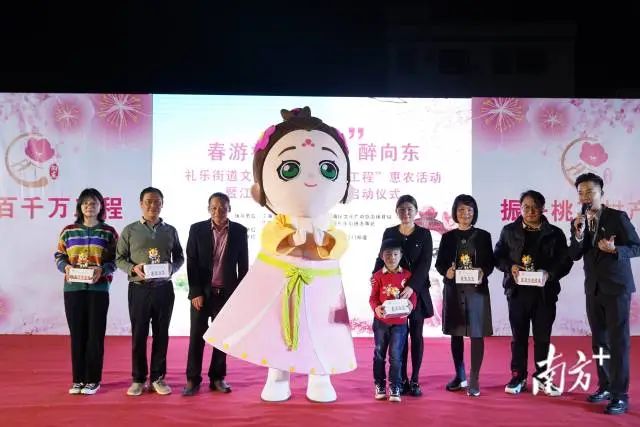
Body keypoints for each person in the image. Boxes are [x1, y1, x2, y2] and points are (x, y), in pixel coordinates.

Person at [203, 107, 356, 403]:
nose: (311, 178)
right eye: (290, 169)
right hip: (281, 287)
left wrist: (323, 243)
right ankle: (278, 376)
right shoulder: (277, 226)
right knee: (278, 329)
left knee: (322, 331)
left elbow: (338, 243)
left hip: (322, 289)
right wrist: (296, 240)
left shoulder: (330, 227)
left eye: (328, 169)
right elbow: (273, 241)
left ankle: (320, 376)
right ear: (259, 189)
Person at [569, 173, 640, 415]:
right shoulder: (578, 222)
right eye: (581, 192)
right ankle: (605, 385)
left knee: (618, 342)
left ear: (601, 193)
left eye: (590, 191)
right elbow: (574, 254)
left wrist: (615, 249)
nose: (585, 196)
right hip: (594, 289)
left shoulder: (617, 217)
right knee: (599, 341)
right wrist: (578, 235)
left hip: (617, 288)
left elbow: (636, 246)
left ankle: (620, 395)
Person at [494, 190, 572, 396]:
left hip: (544, 294)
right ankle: (518, 376)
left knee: (542, 338)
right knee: (518, 338)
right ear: (520, 208)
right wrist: (510, 266)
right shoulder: (509, 231)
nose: (531, 211)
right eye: (526, 207)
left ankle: (543, 378)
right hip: (517, 293)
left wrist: (550, 273)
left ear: (543, 209)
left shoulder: (555, 233)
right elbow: (498, 256)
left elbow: (565, 262)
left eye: (535, 207)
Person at [116, 187, 184, 396]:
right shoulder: (130, 230)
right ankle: (138, 379)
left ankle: (157, 378)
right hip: (139, 289)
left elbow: (179, 257)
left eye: (157, 202)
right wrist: (133, 268)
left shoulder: (170, 230)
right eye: (148, 201)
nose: (153, 205)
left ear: (162, 204)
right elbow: (119, 259)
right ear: (141, 204)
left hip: (164, 289)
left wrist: (172, 268)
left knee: (161, 334)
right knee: (139, 335)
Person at [182, 192, 249, 396]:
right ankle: (192, 380)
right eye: (214, 207)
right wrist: (195, 292)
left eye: (222, 207)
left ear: (229, 208)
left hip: (226, 294)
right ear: (208, 209)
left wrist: (239, 296)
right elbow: (191, 262)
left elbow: (243, 266)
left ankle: (217, 378)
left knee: (222, 338)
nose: (218, 211)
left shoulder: (239, 231)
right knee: (197, 337)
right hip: (202, 294)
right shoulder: (197, 229)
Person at [54, 188, 118, 395]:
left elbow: (116, 260)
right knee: (77, 334)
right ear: (80, 207)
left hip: (98, 289)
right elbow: (59, 256)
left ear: (101, 207)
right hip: (73, 289)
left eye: (94, 203)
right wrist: (66, 267)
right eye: (86, 203)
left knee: (95, 334)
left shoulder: (108, 232)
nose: (90, 207)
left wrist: (103, 270)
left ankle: (93, 380)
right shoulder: (68, 231)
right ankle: (78, 380)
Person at [373, 194, 433, 397]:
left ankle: (414, 379)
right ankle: (401, 379)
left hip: (415, 293)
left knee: (416, 335)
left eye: (409, 209)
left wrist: (412, 287)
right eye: (402, 209)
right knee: (399, 338)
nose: (406, 213)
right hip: (391, 294)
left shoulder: (424, 234)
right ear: (396, 211)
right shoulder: (390, 232)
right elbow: (381, 256)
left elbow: (425, 264)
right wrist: (374, 277)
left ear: (416, 211)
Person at [435, 194, 494, 397]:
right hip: (454, 291)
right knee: (456, 333)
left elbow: (490, 263)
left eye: (469, 210)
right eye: (461, 209)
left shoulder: (483, 236)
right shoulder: (447, 237)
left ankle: (474, 378)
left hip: (476, 291)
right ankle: (459, 375)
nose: (465, 213)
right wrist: (447, 272)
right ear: (455, 212)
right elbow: (440, 264)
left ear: (474, 212)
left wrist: (483, 271)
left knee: (477, 334)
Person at [370, 238, 416, 402]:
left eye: (395, 254)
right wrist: (376, 308)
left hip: (400, 324)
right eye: (388, 254)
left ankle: (395, 386)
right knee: (379, 354)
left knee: (396, 356)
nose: (392, 258)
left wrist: (411, 305)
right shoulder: (377, 276)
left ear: (401, 255)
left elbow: (413, 296)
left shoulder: (407, 275)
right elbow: (373, 298)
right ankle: (379, 384)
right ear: (381, 256)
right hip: (381, 322)